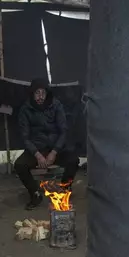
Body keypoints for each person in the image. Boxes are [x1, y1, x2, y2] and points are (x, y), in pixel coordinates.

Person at [15, 79, 79, 209]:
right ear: (32, 94)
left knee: (73, 160)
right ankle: (35, 194)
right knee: (19, 165)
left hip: (56, 148)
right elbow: (25, 137)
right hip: (37, 149)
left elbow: (63, 131)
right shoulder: (25, 109)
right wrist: (37, 155)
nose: (40, 97)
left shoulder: (56, 105)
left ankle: (65, 189)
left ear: (47, 93)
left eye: (43, 93)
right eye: (37, 93)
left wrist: (54, 152)